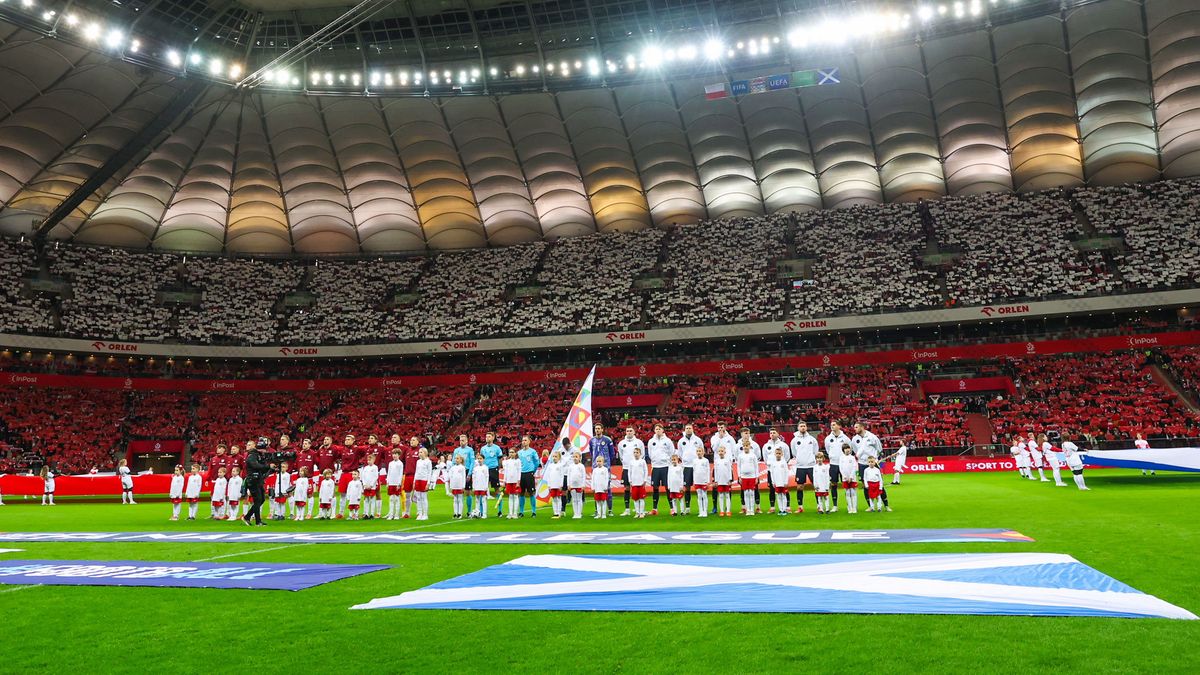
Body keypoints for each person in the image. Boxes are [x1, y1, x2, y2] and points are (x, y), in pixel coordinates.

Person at [853, 422, 889, 511]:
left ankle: (886, 505)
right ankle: (870, 506)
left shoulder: (872, 437)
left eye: (856, 427)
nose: (855, 429)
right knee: (866, 485)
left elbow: (879, 449)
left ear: (862, 427)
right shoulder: (854, 439)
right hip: (862, 464)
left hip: (873, 464)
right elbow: (855, 450)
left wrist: (875, 459)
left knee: (879, 484)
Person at [646, 424, 676, 515]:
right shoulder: (651, 441)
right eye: (656, 429)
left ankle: (672, 508)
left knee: (668, 487)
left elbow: (672, 452)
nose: (658, 430)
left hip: (666, 466)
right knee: (655, 487)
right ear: (654, 430)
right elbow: (650, 453)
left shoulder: (668, 441)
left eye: (659, 429)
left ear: (663, 430)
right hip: (655, 467)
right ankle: (655, 509)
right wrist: (655, 461)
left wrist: (666, 460)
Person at [709, 422, 737, 515]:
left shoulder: (730, 438)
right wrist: (719, 438)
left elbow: (734, 450)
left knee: (728, 486)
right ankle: (715, 507)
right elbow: (714, 449)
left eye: (721, 427)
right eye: (718, 427)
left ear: (725, 427)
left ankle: (727, 507)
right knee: (715, 487)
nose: (720, 429)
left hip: (727, 465)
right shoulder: (714, 437)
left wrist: (731, 461)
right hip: (717, 464)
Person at [617, 427, 645, 516]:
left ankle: (640, 509)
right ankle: (627, 509)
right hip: (626, 468)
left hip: (637, 469)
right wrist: (626, 463)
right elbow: (621, 456)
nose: (629, 432)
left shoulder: (639, 442)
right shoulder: (621, 443)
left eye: (630, 431)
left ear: (634, 432)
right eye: (627, 431)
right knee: (627, 488)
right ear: (625, 432)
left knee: (638, 488)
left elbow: (642, 454)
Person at [790, 421, 818, 513]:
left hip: (811, 466)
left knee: (816, 486)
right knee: (799, 487)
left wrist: (811, 459)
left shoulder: (812, 439)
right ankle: (800, 507)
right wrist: (800, 459)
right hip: (800, 466)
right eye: (801, 426)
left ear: (806, 427)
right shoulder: (794, 440)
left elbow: (815, 451)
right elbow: (794, 453)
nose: (803, 428)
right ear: (798, 428)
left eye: (804, 426)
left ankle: (819, 505)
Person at [824, 421, 852, 511]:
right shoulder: (828, 438)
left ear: (839, 426)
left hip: (844, 464)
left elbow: (849, 449)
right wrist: (833, 457)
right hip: (833, 464)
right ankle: (835, 506)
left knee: (846, 484)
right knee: (833, 484)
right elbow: (828, 450)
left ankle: (849, 505)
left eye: (834, 424)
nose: (832, 426)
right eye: (831, 425)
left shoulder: (845, 438)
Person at [241, 439, 270, 526]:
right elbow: (254, 465)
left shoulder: (257, 455)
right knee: (258, 500)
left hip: (258, 479)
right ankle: (257, 521)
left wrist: (268, 467)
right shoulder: (251, 456)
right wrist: (267, 466)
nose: (247, 446)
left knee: (261, 499)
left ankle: (248, 517)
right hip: (253, 480)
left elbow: (261, 466)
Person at [676, 423, 704, 515]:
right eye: (687, 428)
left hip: (696, 466)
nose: (688, 429)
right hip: (686, 467)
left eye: (690, 428)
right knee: (687, 488)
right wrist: (685, 460)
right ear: (684, 429)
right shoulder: (681, 441)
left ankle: (702, 507)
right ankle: (687, 508)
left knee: (699, 488)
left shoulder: (698, 440)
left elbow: (701, 450)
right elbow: (680, 453)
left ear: (693, 429)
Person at [589, 423, 616, 515]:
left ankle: (610, 510)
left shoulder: (607, 440)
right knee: (596, 488)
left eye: (599, 428)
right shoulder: (591, 440)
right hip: (595, 467)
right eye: (596, 428)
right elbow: (591, 452)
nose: (597, 430)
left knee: (607, 487)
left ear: (602, 429)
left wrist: (606, 462)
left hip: (606, 467)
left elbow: (612, 454)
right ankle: (597, 511)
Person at [761, 428, 789, 513]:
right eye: (771, 433)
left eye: (774, 432)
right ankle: (772, 507)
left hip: (781, 469)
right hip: (771, 470)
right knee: (772, 488)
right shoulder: (766, 446)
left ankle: (787, 507)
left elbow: (787, 456)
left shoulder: (783, 445)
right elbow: (765, 458)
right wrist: (771, 464)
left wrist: (781, 463)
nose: (772, 434)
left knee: (784, 488)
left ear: (778, 434)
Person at [517, 435, 541, 517]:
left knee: (531, 493)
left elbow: (537, 462)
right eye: (523, 440)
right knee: (521, 493)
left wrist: (532, 471)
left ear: (529, 441)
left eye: (525, 440)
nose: (524, 442)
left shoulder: (533, 451)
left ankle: (533, 512)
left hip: (529, 473)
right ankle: (521, 512)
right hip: (521, 474)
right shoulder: (519, 453)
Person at [452, 435, 476, 514]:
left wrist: (469, 473)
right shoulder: (456, 450)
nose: (461, 442)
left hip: (466, 470)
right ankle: (458, 512)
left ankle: (469, 511)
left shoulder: (470, 450)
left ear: (466, 441)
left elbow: (472, 462)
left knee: (468, 492)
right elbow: (453, 462)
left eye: (463, 440)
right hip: (457, 472)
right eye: (460, 440)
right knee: (458, 492)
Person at [480, 432, 504, 505]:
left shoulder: (497, 448)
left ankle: (500, 508)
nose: (487, 438)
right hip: (485, 469)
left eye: (489, 436)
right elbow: (481, 459)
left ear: (493, 438)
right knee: (484, 486)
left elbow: (500, 458)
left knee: (497, 488)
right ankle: (484, 504)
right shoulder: (483, 448)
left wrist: (498, 467)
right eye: (486, 436)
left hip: (493, 468)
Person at [736, 438, 759, 516]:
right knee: (746, 493)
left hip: (752, 476)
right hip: (744, 477)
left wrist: (757, 477)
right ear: (743, 447)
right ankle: (747, 509)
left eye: (747, 446)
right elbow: (738, 466)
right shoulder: (740, 456)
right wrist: (739, 476)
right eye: (744, 446)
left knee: (751, 493)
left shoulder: (753, 455)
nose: (746, 447)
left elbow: (756, 466)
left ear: (750, 446)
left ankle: (752, 509)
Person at [402, 436, 423, 519]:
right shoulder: (407, 450)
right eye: (411, 440)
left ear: (418, 442)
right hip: (407, 476)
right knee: (407, 495)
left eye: (414, 440)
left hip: (416, 475)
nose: (412, 441)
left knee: (418, 495)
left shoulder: (420, 451)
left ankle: (419, 512)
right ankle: (407, 512)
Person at [767, 445, 791, 516]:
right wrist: (773, 482)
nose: (778, 455)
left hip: (783, 482)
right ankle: (780, 510)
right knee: (778, 496)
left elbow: (786, 473)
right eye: (777, 453)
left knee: (783, 495)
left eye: (779, 453)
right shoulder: (773, 463)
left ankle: (784, 509)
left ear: (782, 454)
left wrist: (786, 482)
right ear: (775, 454)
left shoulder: (784, 463)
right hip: (776, 483)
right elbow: (772, 473)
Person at [543, 449, 566, 519]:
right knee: (553, 499)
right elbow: (549, 476)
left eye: (556, 456)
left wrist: (561, 485)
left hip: (558, 485)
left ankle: (559, 512)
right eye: (553, 456)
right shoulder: (550, 466)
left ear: (559, 458)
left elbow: (562, 476)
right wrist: (549, 485)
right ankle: (555, 512)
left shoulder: (560, 466)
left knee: (558, 498)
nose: (554, 458)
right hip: (552, 485)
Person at [627, 447, 649, 519]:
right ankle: (637, 512)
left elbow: (646, 471)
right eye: (634, 452)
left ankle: (642, 512)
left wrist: (645, 480)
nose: (636, 454)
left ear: (640, 454)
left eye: (637, 453)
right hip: (634, 483)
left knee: (641, 498)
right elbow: (629, 472)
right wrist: (630, 480)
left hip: (641, 482)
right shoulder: (631, 462)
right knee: (635, 499)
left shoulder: (642, 461)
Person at [713, 445, 733, 517]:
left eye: (722, 451)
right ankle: (721, 511)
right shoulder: (716, 461)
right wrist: (716, 480)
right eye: (719, 451)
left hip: (726, 480)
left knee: (727, 495)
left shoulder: (727, 460)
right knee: (721, 495)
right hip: (720, 481)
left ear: (725, 452)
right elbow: (716, 471)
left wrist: (730, 479)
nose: (721, 452)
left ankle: (728, 510)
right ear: (718, 452)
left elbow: (729, 471)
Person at [414, 448, 434, 520]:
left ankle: (425, 514)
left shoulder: (428, 462)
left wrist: (428, 483)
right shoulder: (418, 461)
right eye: (419, 452)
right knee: (418, 498)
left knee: (424, 497)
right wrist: (414, 481)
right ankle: (420, 513)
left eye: (421, 452)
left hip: (424, 480)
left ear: (425, 453)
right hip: (418, 480)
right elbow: (416, 471)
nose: (419, 453)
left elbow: (429, 473)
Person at [839, 444, 859, 514]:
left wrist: (851, 477)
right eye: (845, 449)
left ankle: (854, 508)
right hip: (845, 478)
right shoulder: (841, 458)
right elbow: (841, 468)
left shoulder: (852, 458)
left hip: (852, 478)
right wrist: (844, 476)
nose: (847, 450)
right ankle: (849, 508)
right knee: (847, 492)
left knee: (853, 492)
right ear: (843, 450)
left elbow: (854, 467)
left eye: (848, 448)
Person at [502, 448, 522, 519]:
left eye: (512, 452)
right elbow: (506, 471)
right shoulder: (507, 461)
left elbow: (519, 471)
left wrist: (518, 481)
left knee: (516, 496)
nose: (511, 453)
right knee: (510, 496)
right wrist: (504, 481)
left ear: (515, 453)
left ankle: (515, 513)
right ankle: (510, 513)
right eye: (510, 452)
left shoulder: (518, 461)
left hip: (515, 481)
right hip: (509, 481)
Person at [568, 451, 587, 520]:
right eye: (574, 457)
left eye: (576, 457)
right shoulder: (570, 466)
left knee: (579, 499)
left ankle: (579, 513)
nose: (575, 458)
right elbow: (569, 476)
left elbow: (584, 476)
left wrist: (583, 485)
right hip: (572, 485)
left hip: (579, 485)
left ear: (580, 458)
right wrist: (569, 484)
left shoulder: (581, 466)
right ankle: (575, 513)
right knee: (574, 500)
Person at [360, 454, 380, 520]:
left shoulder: (375, 467)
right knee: (366, 500)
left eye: (370, 460)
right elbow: (363, 476)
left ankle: (372, 514)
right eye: (368, 460)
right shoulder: (365, 468)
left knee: (372, 499)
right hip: (366, 486)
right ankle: (366, 513)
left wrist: (371, 485)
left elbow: (375, 477)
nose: (368, 461)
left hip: (372, 486)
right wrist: (364, 484)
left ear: (374, 460)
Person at [386, 450, 405, 520]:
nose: (394, 455)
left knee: (397, 499)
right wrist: (387, 482)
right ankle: (391, 514)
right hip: (391, 483)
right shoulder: (390, 463)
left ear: (399, 455)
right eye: (393, 454)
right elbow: (389, 473)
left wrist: (399, 483)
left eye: (396, 454)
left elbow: (400, 474)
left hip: (396, 483)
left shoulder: (400, 464)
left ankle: (396, 514)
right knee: (391, 499)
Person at [447, 454, 467, 520]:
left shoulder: (462, 467)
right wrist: (451, 486)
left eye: (457, 458)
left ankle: (460, 513)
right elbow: (450, 476)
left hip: (460, 485)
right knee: (455, 499)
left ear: (461, 460)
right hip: (454, 485)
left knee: (460, 499)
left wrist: (463, 486)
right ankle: (455, 513)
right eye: (455, 458)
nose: (456, 460)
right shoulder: (453, 468)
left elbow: (463, 477)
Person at [693, 448, 711, 518]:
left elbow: (708, 471)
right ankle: (700, 511)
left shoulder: (706, 460)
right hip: (697, 481)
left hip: (704, 481)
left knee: (704, 495)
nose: (698, 452)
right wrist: (694, 480)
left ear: (703, 452)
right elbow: (694, 471)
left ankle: (705, 511)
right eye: (697, 451)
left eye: (700, 451)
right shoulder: (694, 461)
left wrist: (707, 481)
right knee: (699, 496)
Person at [471, 452, 490, 519]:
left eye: (480, 458)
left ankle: (484, 513)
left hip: (483, 486)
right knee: (477, 500)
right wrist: (473, 486)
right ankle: (477, 513)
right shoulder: (475, 468)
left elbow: (487, 477)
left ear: (483, 459)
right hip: (477, 486)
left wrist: (486, 486)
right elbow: (474, 477)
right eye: (478, 458)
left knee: (483, 500)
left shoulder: (485, 467)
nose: (479, 460)